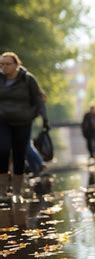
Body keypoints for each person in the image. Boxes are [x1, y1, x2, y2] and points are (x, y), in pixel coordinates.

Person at [0, 52, 47, 203]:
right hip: (3, 120)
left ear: (16, 64)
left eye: (7, 64)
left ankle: (16, 192)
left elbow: (38, 100)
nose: (4, 67)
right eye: (1, 64)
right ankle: (2, 192)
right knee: (3, 149)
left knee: (19, 153)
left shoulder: (28, 79)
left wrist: (41, 118)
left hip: (23, 121)